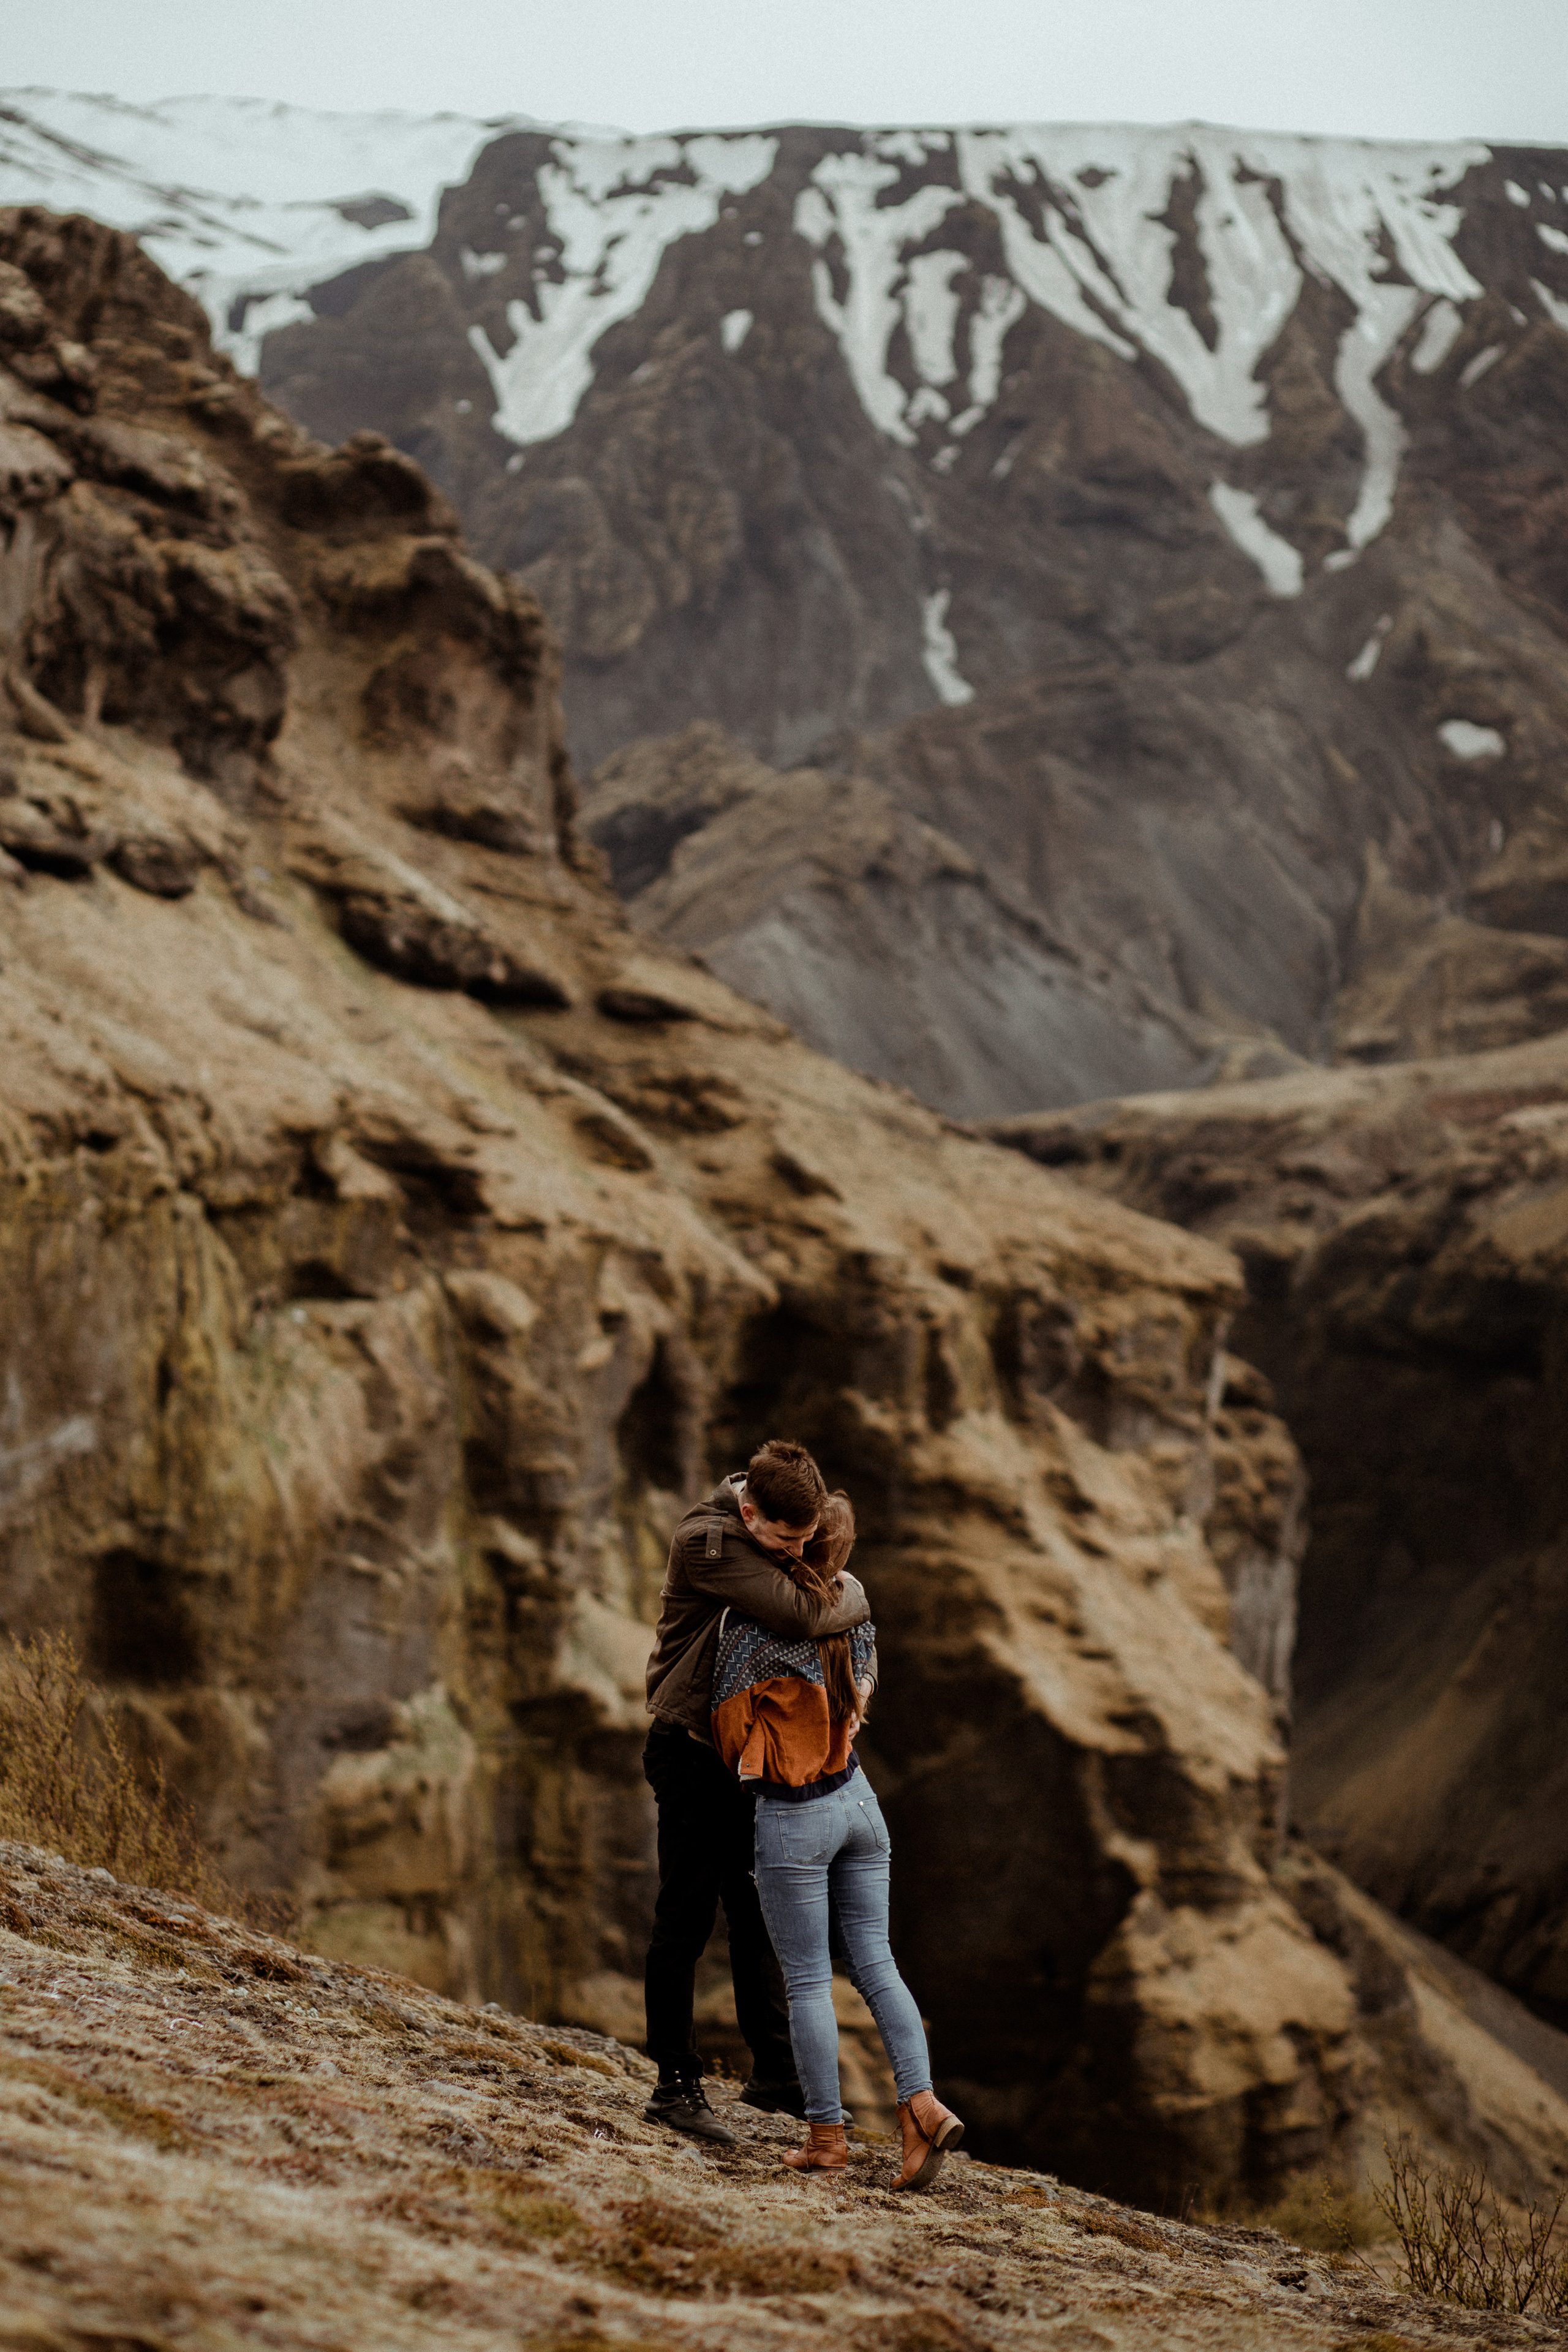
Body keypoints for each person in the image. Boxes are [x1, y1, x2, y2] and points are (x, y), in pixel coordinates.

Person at [712, 1491, 965, 2190]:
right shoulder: (853, 1607)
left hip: (793, 1814)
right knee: (876, 1963)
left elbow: (726, 1727)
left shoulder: (751, 1628)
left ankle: (826, 2137)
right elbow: (867, 1680)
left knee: (805, 1983)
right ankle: (920, 2102)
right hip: (857, 1801)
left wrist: (761, 1746)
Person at [641, 1438, 873, 2144]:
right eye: (783, 1539)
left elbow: (808, 1597)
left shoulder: (767, 1537)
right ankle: (674, 2086)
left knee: (760, 1913)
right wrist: (855, 1592)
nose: (794, 1554)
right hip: (690, 1753)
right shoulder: (709, 1542)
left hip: (746, 1757)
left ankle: (776, 2075)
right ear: (749, 1510)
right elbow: (805, 1614)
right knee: (684, 1919)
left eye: (806, 1542)